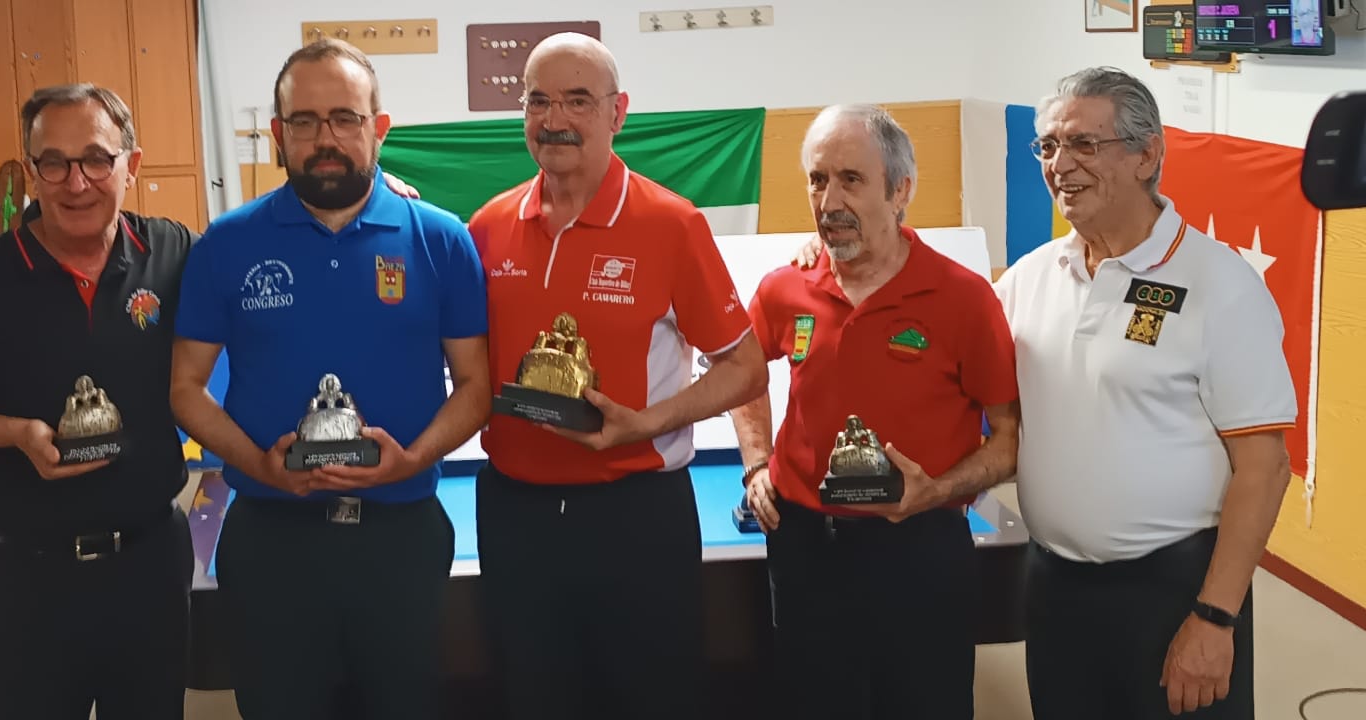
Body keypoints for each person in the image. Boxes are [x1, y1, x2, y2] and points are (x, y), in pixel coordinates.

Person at [168, 38, 489, 719]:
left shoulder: (440, 239)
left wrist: (414, 459)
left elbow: (475, 385)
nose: (326, 139)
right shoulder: (227, 242)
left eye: (345, 118)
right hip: (271, 540)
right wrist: (258, 462)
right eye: (305, 122)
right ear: (278, 134)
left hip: (401, 537)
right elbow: (186, 389)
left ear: (379, 127)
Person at [466, 32, 768, 719]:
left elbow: (745, 368)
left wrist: (648, 423)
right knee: (533, 700)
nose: (555, 120)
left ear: (617, 112)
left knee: (652, 700)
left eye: (578, 100)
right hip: (516, 514)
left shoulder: (671, 224)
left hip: (636, 516)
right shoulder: (487, 226)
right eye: (538, 101)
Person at [0, 84, 196, 719]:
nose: (76, 183)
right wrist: (15, 433)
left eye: (97, 159)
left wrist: (381, 192)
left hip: (149, 567)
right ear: (30, 173)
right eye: (54, 162)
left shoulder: (172, 252)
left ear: (132, 165)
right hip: (21, 582)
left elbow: (259, 262)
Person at [997, 66, 1295, 720]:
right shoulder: (1028, 279)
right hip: (1054, 590)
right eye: (1048, 145)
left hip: (1176, 591)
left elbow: (1265, 467)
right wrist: (834, 260)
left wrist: (1215, 617)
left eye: (1083, 144)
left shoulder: (1220, 284)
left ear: (1146, 155)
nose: (1059, 165)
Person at [731, 104, 1020, 720]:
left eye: (851, 180)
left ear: (901, 191)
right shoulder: (785, 287)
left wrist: (935, 490)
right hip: (805, 550)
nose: (829, 201)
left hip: (920, 548)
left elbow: (1008, 440)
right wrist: (757, 463)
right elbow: (743, 377)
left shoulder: (964, 298)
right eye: (817, 180)